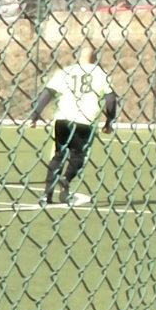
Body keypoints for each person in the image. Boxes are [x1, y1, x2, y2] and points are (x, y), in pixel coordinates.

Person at [31, 60, 117, 205]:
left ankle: (46, 195)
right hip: (86, 120)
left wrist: (35, 115)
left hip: (63, 118)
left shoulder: (66, 71)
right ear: (95, 59)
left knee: (58, 155)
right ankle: (66, 179)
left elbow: (48, 93)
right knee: (79, 156)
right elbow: (111, 99)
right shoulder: (101, 74)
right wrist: (109, 122)